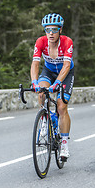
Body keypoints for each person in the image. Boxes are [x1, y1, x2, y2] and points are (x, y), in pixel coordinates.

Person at [30, 13, 74, 160]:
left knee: (61, 107)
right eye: (47, 30)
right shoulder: (40, 42)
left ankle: (64, 144)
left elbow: (66, 65)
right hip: (48, 71)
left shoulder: (67, 42)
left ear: (60, 30)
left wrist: (57, 84)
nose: (50, 33)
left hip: (65, 73)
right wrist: (35, 82)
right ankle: (45, 121)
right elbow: (35, 63)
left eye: (54, 30)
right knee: (41, 93)